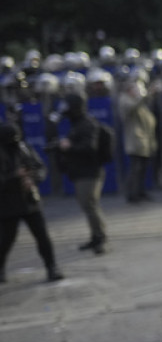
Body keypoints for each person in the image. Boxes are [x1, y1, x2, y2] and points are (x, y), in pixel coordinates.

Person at [0, 124, 63, 283]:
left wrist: (33, 178)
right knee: (7, 239)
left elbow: (39, 167)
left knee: (42, 235)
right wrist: (15, 176)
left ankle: (52, 266)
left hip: (29, 200)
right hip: (8, 204)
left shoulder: (23, 148)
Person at [57, 93, 109, 254]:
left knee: (90, 205)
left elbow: (89, 147)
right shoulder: (78, 123)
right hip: (82, 172)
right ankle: (95, 236)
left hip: (89, 172)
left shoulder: (86, 124)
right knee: (88, 205)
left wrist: (68, 147)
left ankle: (100, 238)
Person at [118, 74, 157, 203]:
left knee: (142, 169)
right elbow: (133, 107)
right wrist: (146, 95)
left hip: (144, 141)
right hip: (135, 142)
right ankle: (132, 194)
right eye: (135, 90)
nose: (137, 92)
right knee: (135, 169)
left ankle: (140, 192)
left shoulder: (136, 102)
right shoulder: (125, 100)